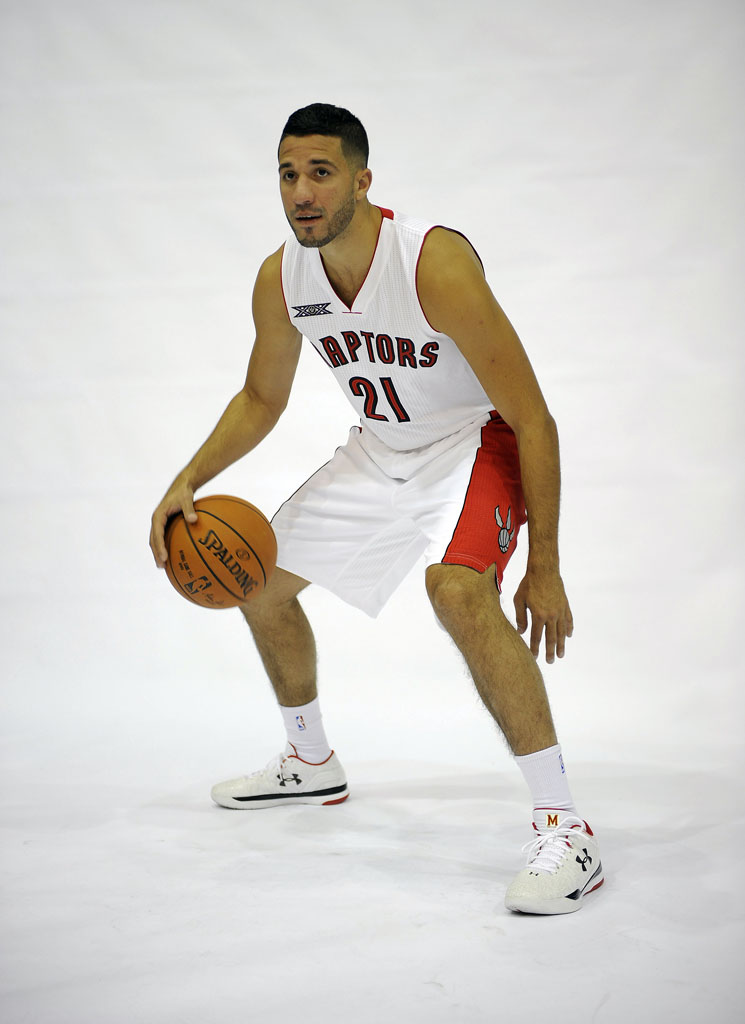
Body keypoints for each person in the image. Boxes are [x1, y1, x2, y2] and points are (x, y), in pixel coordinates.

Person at [149, 103, 603, 915]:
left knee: (456, 591)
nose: (301, 192)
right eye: (287, 174)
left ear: (362, 180)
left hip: (474, 439)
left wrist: (547, 564)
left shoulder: (433, 263)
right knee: (256, 582)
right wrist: (187, 476)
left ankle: (565, 827)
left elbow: (532, 415)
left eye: (320, 173)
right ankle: (310, 760)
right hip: (381, 446)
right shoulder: (282, 276)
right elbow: (261, 395)